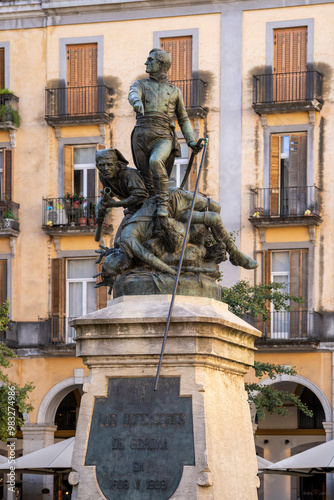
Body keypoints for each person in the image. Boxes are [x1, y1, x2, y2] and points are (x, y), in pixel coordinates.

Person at [96, 189, 257, 287]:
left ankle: (231, 252)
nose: (124, 265)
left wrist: (169, 271)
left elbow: (151, 259)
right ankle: (235, 255)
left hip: (172, 202)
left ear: (117, 256)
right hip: (171, 216)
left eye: (120, 264)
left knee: (215, 208)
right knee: (214, 217)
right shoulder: (122, 244)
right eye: (121, 267)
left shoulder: (127, 240)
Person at [128, 48, 203, 218]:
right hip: (141, 134)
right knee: (146, 178)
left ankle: (163, 205)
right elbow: (133, 94)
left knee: (156, 161)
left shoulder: (175, 91)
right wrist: (136, 102)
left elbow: (183, 118)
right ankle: (148, 210)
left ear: (161, 64)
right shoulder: (140, 85)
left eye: (150, 60)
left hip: (163, 136)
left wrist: (191, 141)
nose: (146, 63)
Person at [94, 148, 149, 241]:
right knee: (117, 244)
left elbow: (140, 197)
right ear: (97, 166)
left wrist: (114, 204)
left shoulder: (129, 174)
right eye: (102, 165)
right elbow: (105, 195)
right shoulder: (104, 176)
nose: (106, 169)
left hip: (148, 209)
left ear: (117, 164)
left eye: (109, 164)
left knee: (127, 241)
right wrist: (98, 212)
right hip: (132, 212)